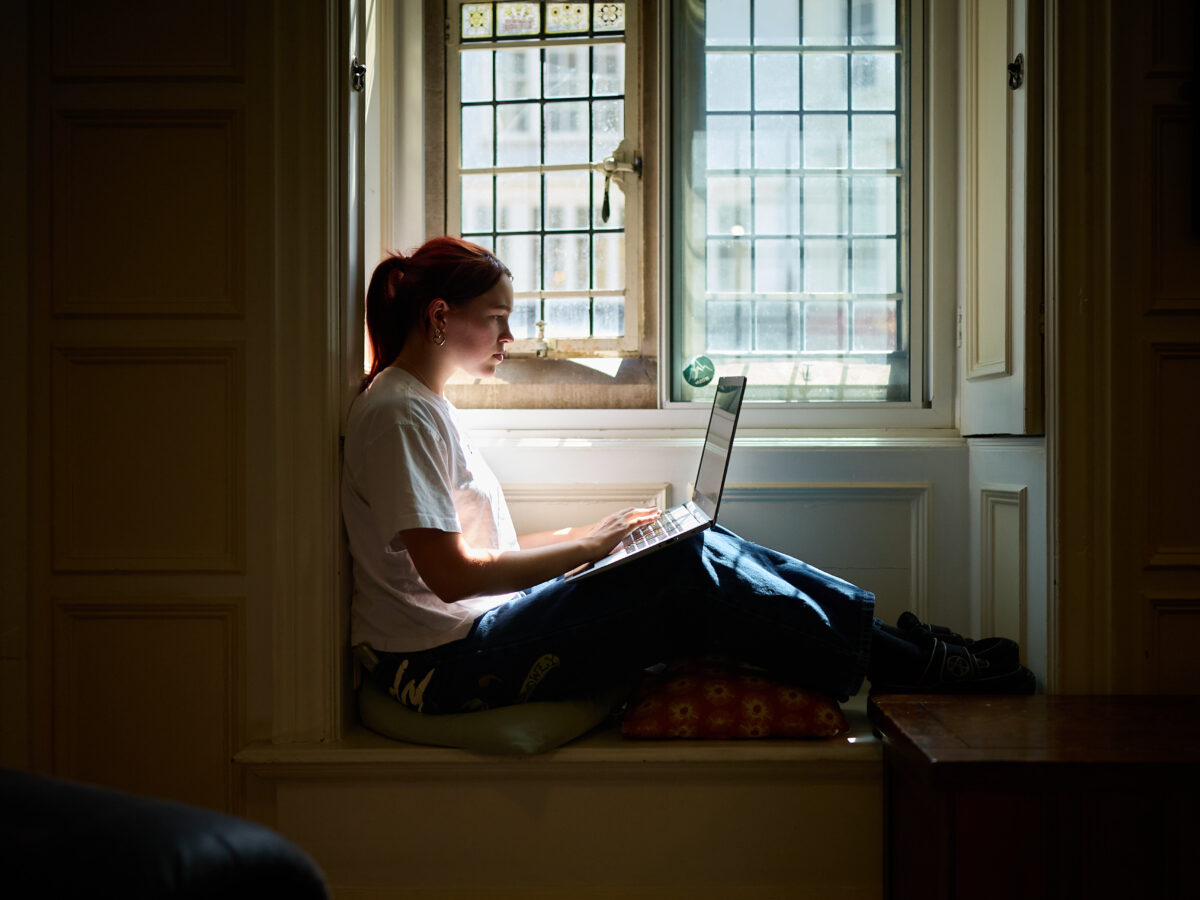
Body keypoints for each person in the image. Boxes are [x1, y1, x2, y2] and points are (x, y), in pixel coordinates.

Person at [342, 236, 1035, 715]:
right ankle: (909, 665)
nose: (509, 339)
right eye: (497, 320)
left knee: (689, 541)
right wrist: (587, 551)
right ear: (439, 316)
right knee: (686, 576)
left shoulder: (425, 405)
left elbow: (480, 545)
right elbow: (453, 575)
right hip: (440, 665)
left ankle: (908, 648)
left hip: (468, 634)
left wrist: (606, 534)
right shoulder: (401, 414)